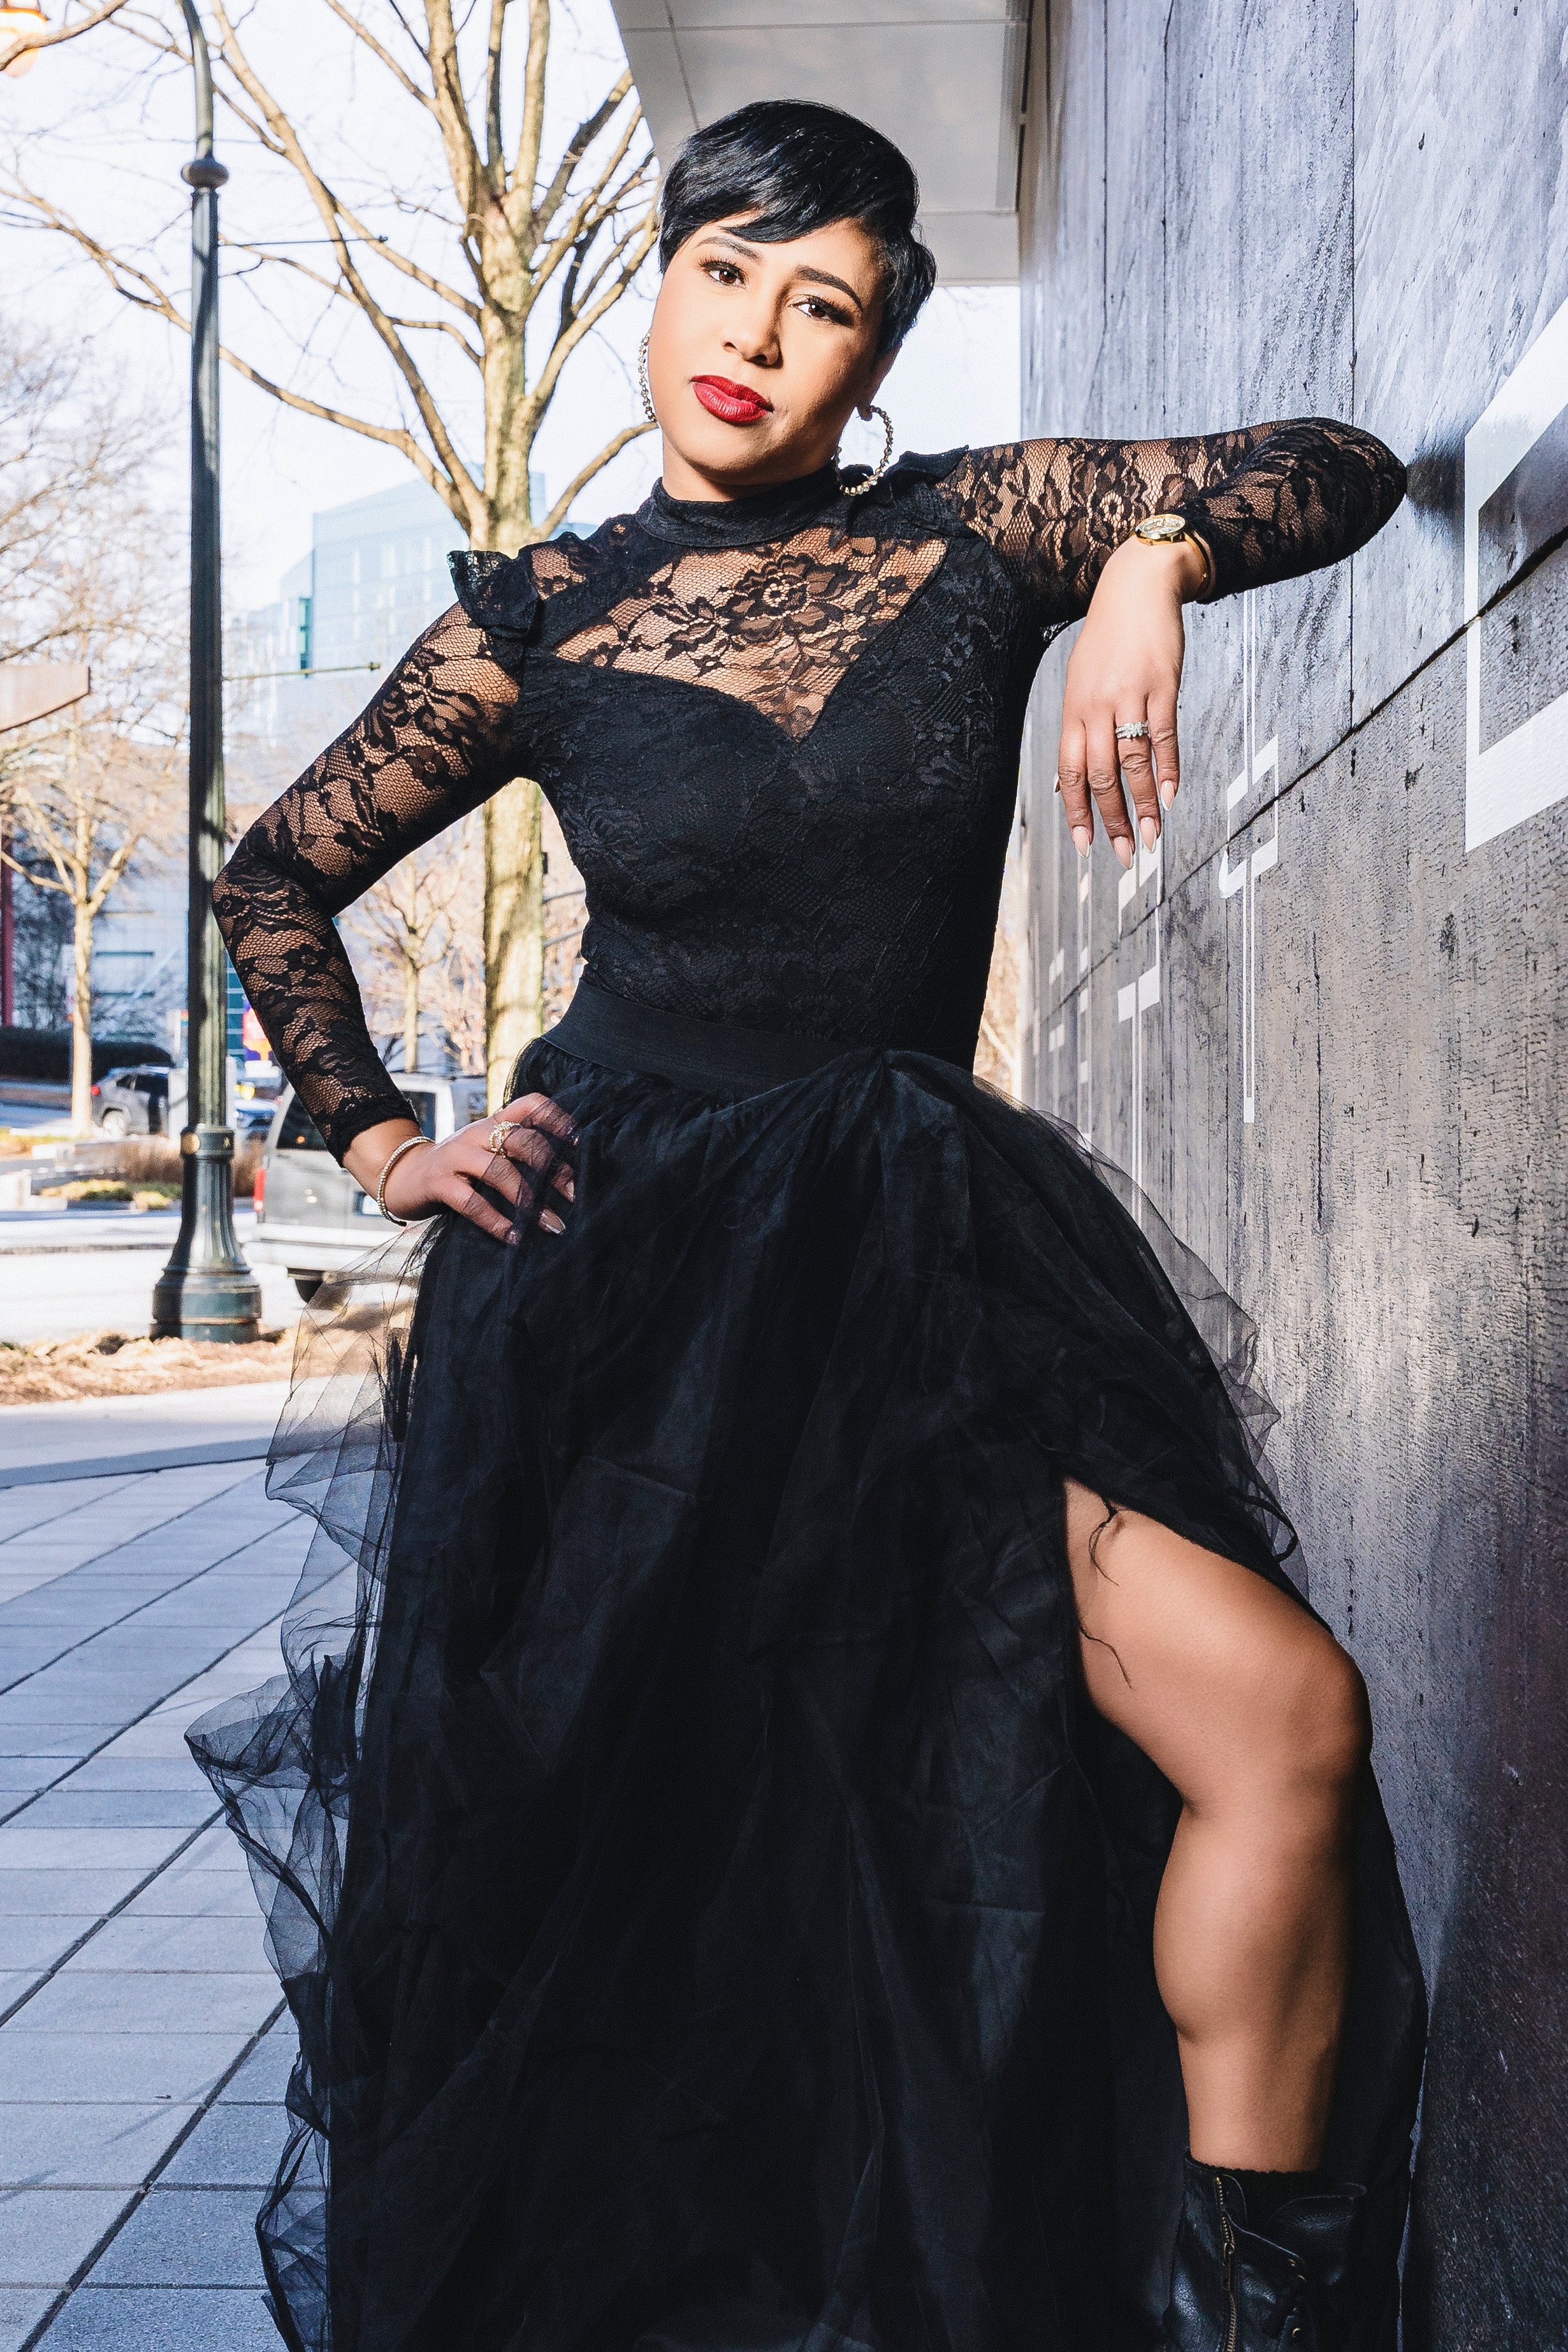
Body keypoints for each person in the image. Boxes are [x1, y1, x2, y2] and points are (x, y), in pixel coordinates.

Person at [193, 98, 1425, 2352]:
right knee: (667, 1937)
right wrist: (378, 1141)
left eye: (821, 302)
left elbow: (1334, 462)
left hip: (910, 1267)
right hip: (619, 1312)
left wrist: (1147, 556)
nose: (756, 333)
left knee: (1279, 1719)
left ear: (874, 359)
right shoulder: (536, 619)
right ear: (658, 284)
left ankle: (1260, 2310)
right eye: (724, 271)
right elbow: (272, 873)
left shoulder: (976, 530)